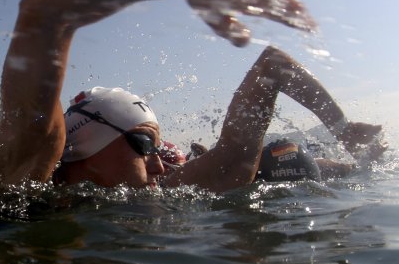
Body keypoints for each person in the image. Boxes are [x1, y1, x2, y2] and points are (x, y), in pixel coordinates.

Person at [0, 0, 318, 197]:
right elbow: (46, 9)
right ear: (85, 142)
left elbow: (236, 153)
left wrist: (343, 128)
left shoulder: (154, 193)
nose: (159, 165)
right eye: (143, 144)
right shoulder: (19, 177)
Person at [159, 46, 385, 185]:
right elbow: (273, 63)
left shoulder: (222, 173)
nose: (157, 165)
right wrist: (344, 131)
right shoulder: (228, 169)